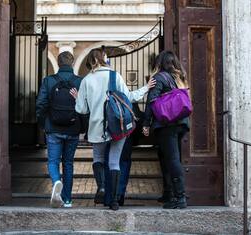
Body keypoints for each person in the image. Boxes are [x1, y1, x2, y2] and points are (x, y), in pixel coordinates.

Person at [71, 48, 156, 210]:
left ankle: (102, 187)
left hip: (97, 127)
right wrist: (146, 87)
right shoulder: (114, 76)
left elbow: (82, 110)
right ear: (104, 59)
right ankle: (115, 201)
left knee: (98, 158)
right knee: (115, 162)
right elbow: (130, 98)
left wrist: (78, 100)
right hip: (117, 125)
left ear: (90, 61)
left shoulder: (86, 80)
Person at [142, 50, 190, 209]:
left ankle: (180, 197)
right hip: (180, 123)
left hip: (166, 124)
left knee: (172, 159)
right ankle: (169, 193)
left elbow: (152, 101)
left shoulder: (159, 77)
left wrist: (146, 123)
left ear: (160, 63)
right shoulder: (180, 77)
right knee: (166, 157)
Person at [36, 51, 83, 208]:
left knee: (53, 161)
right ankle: (68, 199)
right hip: (73, 128)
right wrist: (82, 126)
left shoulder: (49, 81)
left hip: (53, 128)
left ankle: (56, 181)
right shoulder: (79, 81)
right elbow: (85, 106)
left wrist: (44, 123)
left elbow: (41, 104)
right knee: (68, 163)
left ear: (58, 62)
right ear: (72, 62)